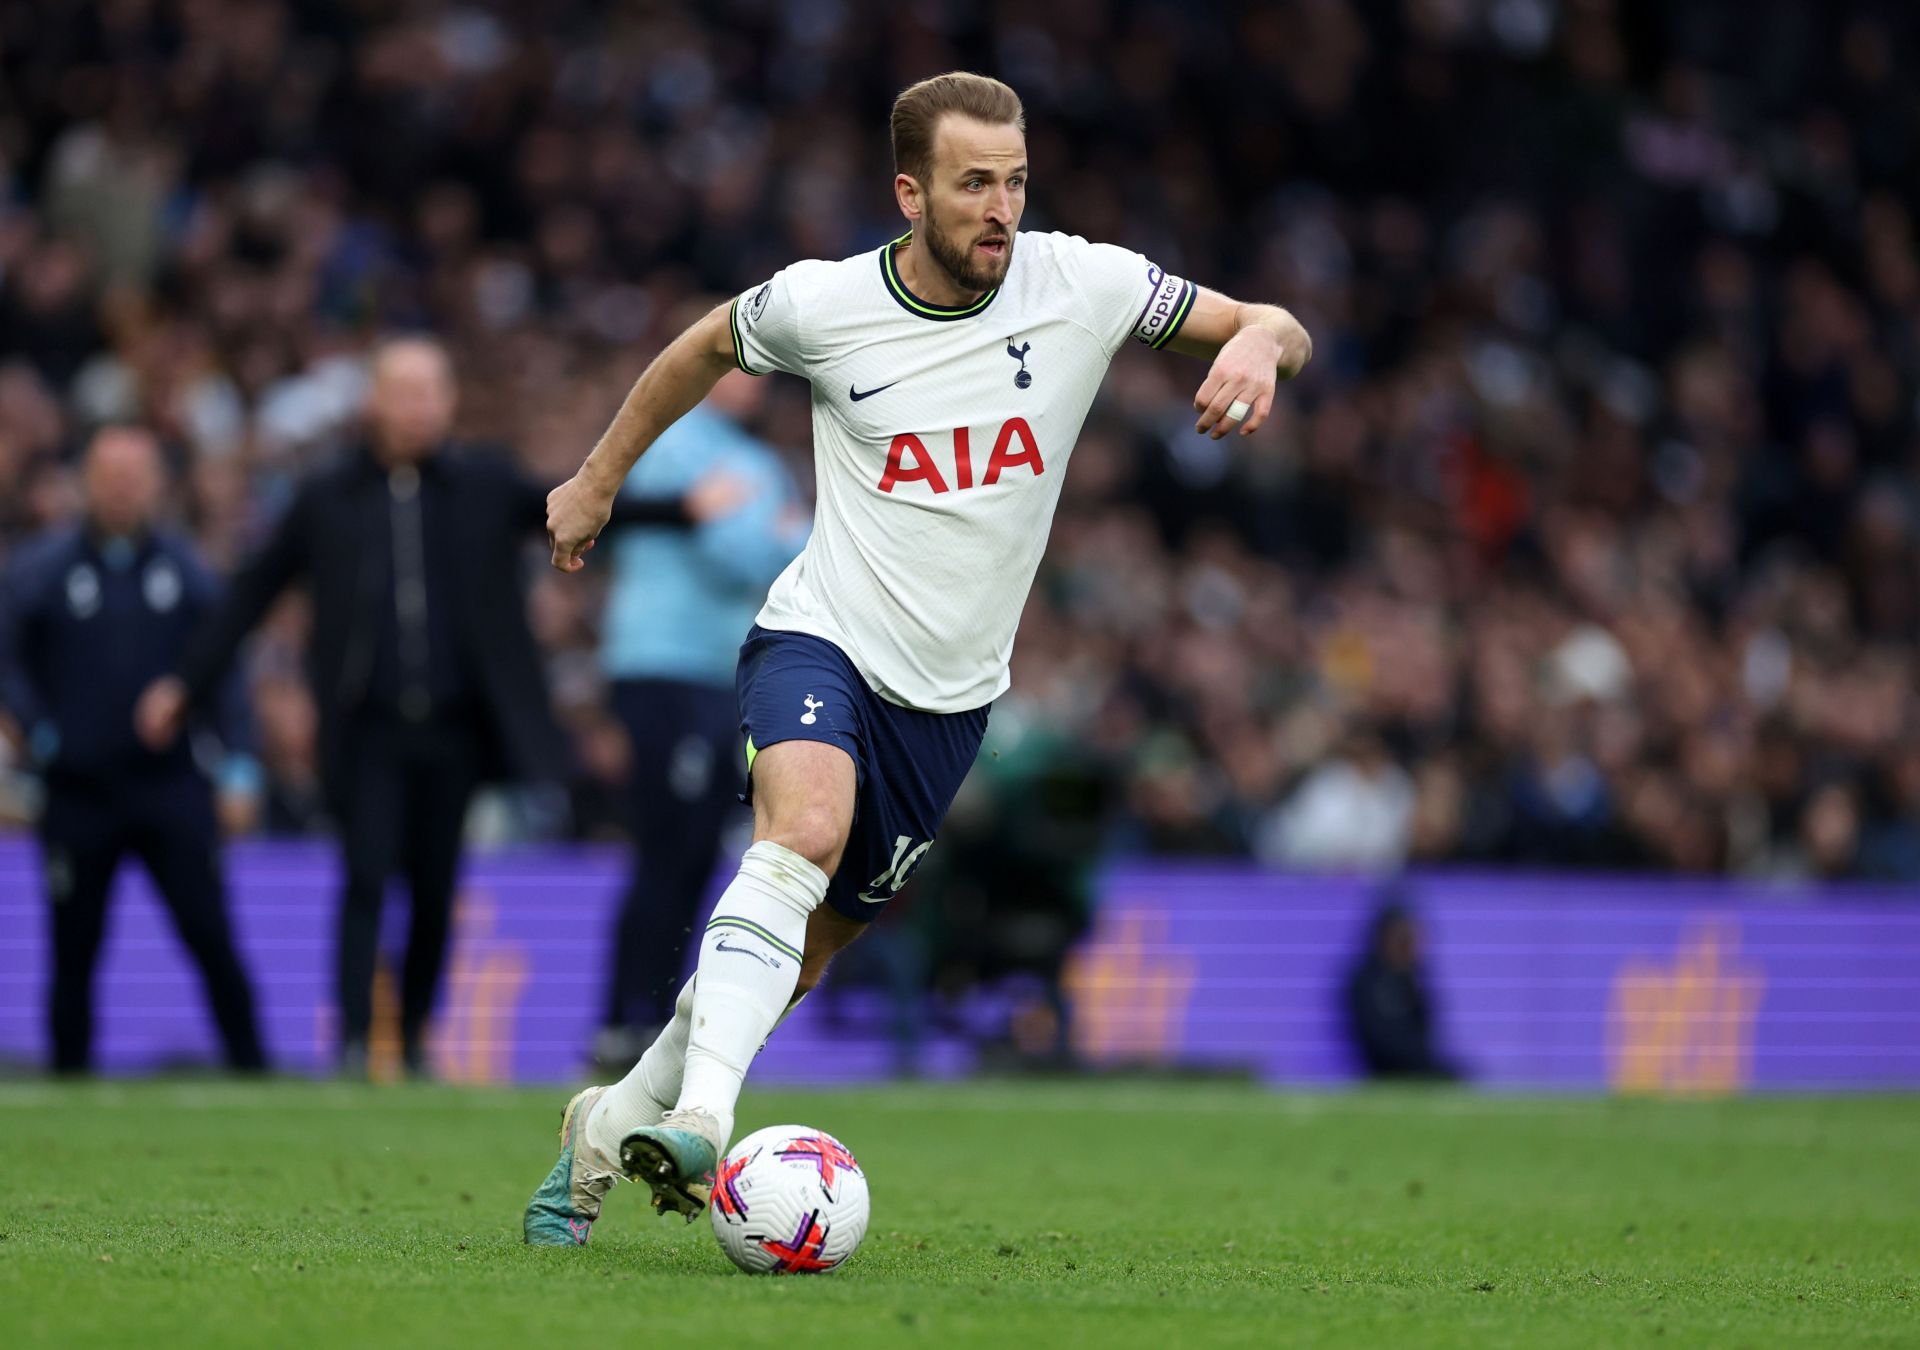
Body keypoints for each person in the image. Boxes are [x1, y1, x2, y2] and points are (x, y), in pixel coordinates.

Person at [525, 72, 1311, 1243]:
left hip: (949, 703)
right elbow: (700, 349)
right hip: (821, 636)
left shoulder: (1082, 283)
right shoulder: (823, 305)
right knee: (800, 835)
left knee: (799, 954)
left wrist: (1256, 344)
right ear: (911, 193)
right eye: (974, 184)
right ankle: (705, 1118)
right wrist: (597, 481)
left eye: (1016, 182)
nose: (1002, 207)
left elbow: (1281, 321)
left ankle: (609, 1124)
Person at [134, 337, 701, 1079]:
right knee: (364, 876)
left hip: (456, 727)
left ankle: (413, 1042)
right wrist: (185, 682)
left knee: (436, 889)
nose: (417, 408)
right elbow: (253, 589)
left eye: (430, 392)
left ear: (450, 401)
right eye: (402, 392)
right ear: (373, 401)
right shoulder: (327, 493)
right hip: (363, 725)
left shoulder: (482, 484)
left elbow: (569, 505)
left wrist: (683, 509)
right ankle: (352, 1044)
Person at [0, 424, 266, 1075]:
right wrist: (39, 733)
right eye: (108, 473)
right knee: (73, 946)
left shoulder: (186, 570)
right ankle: (69, 1077)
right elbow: (8, 660)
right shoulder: (41, 571)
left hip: (168, 783)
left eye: (134, 474)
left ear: (156, 485)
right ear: (85, 481)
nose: (121, 486)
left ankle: (255, 1069)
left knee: (209, 933)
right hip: (77, 790)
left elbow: (222, 668)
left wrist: (238, 766)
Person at [591, 369, 809, 1076]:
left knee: (694, 856)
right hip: (661, 664)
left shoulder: (754, 461)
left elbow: (798, 550)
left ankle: (655, 1020)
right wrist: (758, 528)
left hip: (725, 673)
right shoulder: (670, 441)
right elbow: (744, 549)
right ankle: (623, 1017)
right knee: (662, 846)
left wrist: (746, 524)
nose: (749, 386)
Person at [1343, 898, 1461, 1081]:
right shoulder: (1366, 980)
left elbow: (1426, 1025)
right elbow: (1375, 1036)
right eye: (1402, 939)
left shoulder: (1413, 976)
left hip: (1419, 1065)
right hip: (1384, 1070)